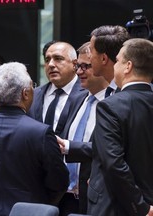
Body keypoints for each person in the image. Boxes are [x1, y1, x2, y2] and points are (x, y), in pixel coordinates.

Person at [0, 62, 69, 216]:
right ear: (25, 93)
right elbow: (59, 182)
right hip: (30, 212)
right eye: (32, 86)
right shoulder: (41, 133)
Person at [87, 38, 153, 216]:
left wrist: (141, 207)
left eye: (117, 60)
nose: (114, 65)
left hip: (117, 206)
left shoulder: (110, 105)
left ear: (128, 66)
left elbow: (114, 164)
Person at [56, 42, 109, 215]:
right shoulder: (76, 99)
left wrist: (69, 146)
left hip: (96, 200)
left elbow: (109, 151)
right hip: (65, 198)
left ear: (103, 64)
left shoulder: (115, 104)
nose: (79, 71)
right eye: (78, 66)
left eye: (86, 66)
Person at [28, 41, 88, 136]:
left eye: (58, 59)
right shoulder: (33, 95)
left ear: (74, 64)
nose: (51, 64)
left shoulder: (88, 95)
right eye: (47, 60)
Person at [88, 25, 130, 97]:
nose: (89, 57)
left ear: (104, 58)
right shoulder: (112, 90)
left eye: (91, 51)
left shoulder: (130, 94)